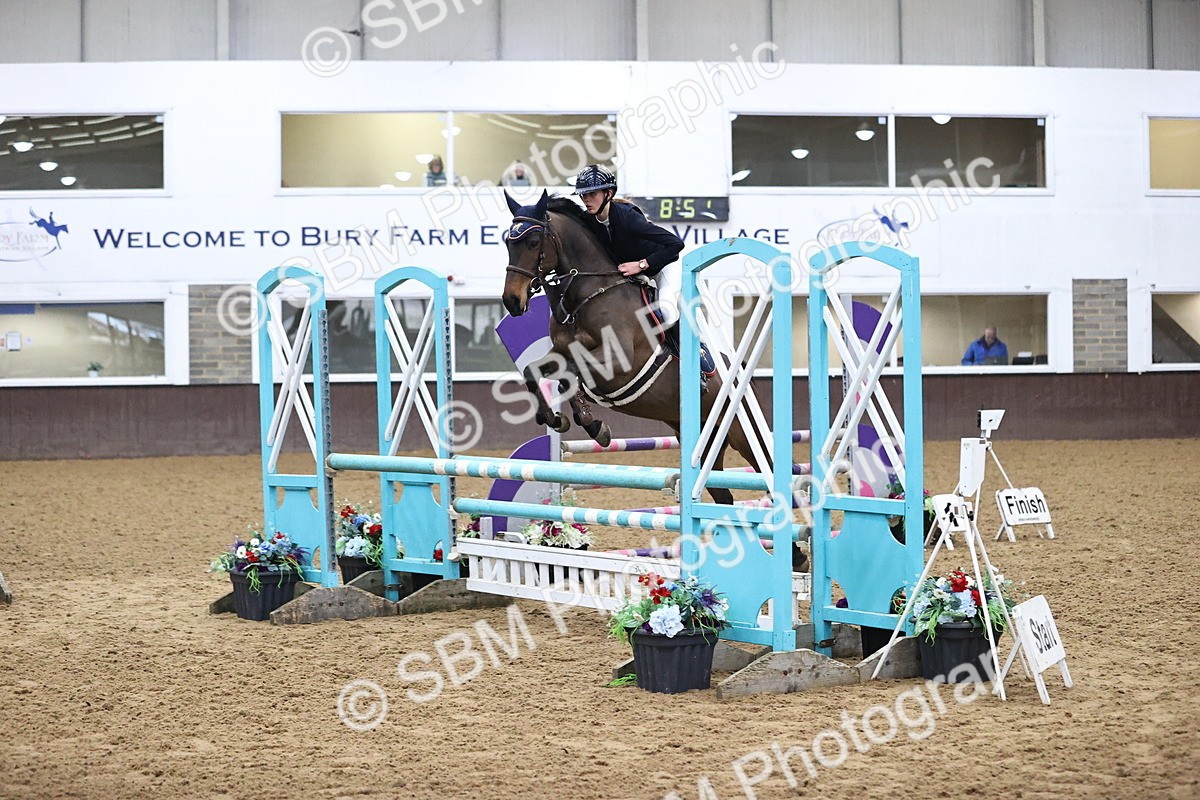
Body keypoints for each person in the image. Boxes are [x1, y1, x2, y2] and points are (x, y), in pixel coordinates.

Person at [572, 164, 713, 382]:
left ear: (608, 193)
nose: (586, 199)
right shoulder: (589, 221)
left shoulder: (628, 218)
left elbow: (675, 244)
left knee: (666, 311)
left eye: (592, 194)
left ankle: (695, 364)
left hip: (661, 267)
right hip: (632, 275)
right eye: (583, 195)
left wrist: (641, 264)